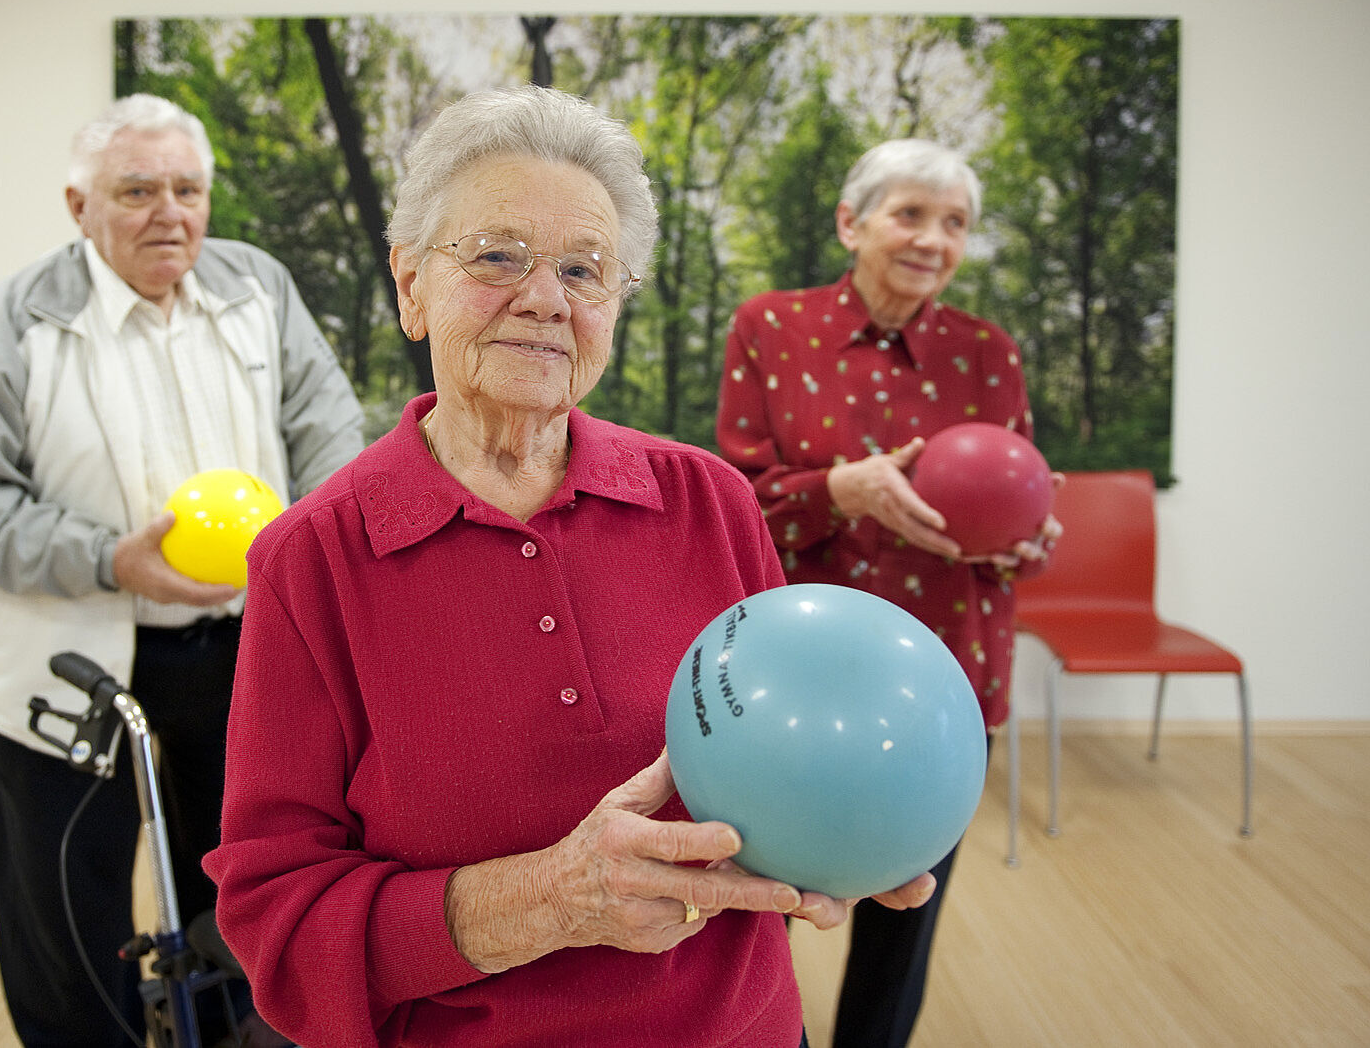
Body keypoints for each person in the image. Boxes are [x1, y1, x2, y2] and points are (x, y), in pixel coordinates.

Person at [202, 86, 935, 1048]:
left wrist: (844, 825)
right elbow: (277, 924)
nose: (544, 297)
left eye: (584, 270)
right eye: (497, 255)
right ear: (411, 284)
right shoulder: (314, 558)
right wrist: (549, 899)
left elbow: (776, 760)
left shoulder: (708, 502)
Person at [0, 93, 363, 1047]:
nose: (170, 212)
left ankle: (239, 1033)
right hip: (75, 671)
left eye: (187, 189)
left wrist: (306, 545)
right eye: (137, 190)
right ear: (79, 206)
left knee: (243, 887)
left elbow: (330, 430)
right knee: (72, 913)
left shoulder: (257, 287)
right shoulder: (4, 324)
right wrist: (109, 562)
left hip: (248, 650)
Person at [716, 138, 1062, 1048]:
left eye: (954, 224)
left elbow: (1019, 526)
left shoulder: (989, 354)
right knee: (752, 916)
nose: (932, 240)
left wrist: (1029, 538)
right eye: (909, 213)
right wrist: (840, 486)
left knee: (904, 923)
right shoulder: (769, 328)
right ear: (851, 222)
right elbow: (735, 502)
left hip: (943, 679)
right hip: (791, 686)